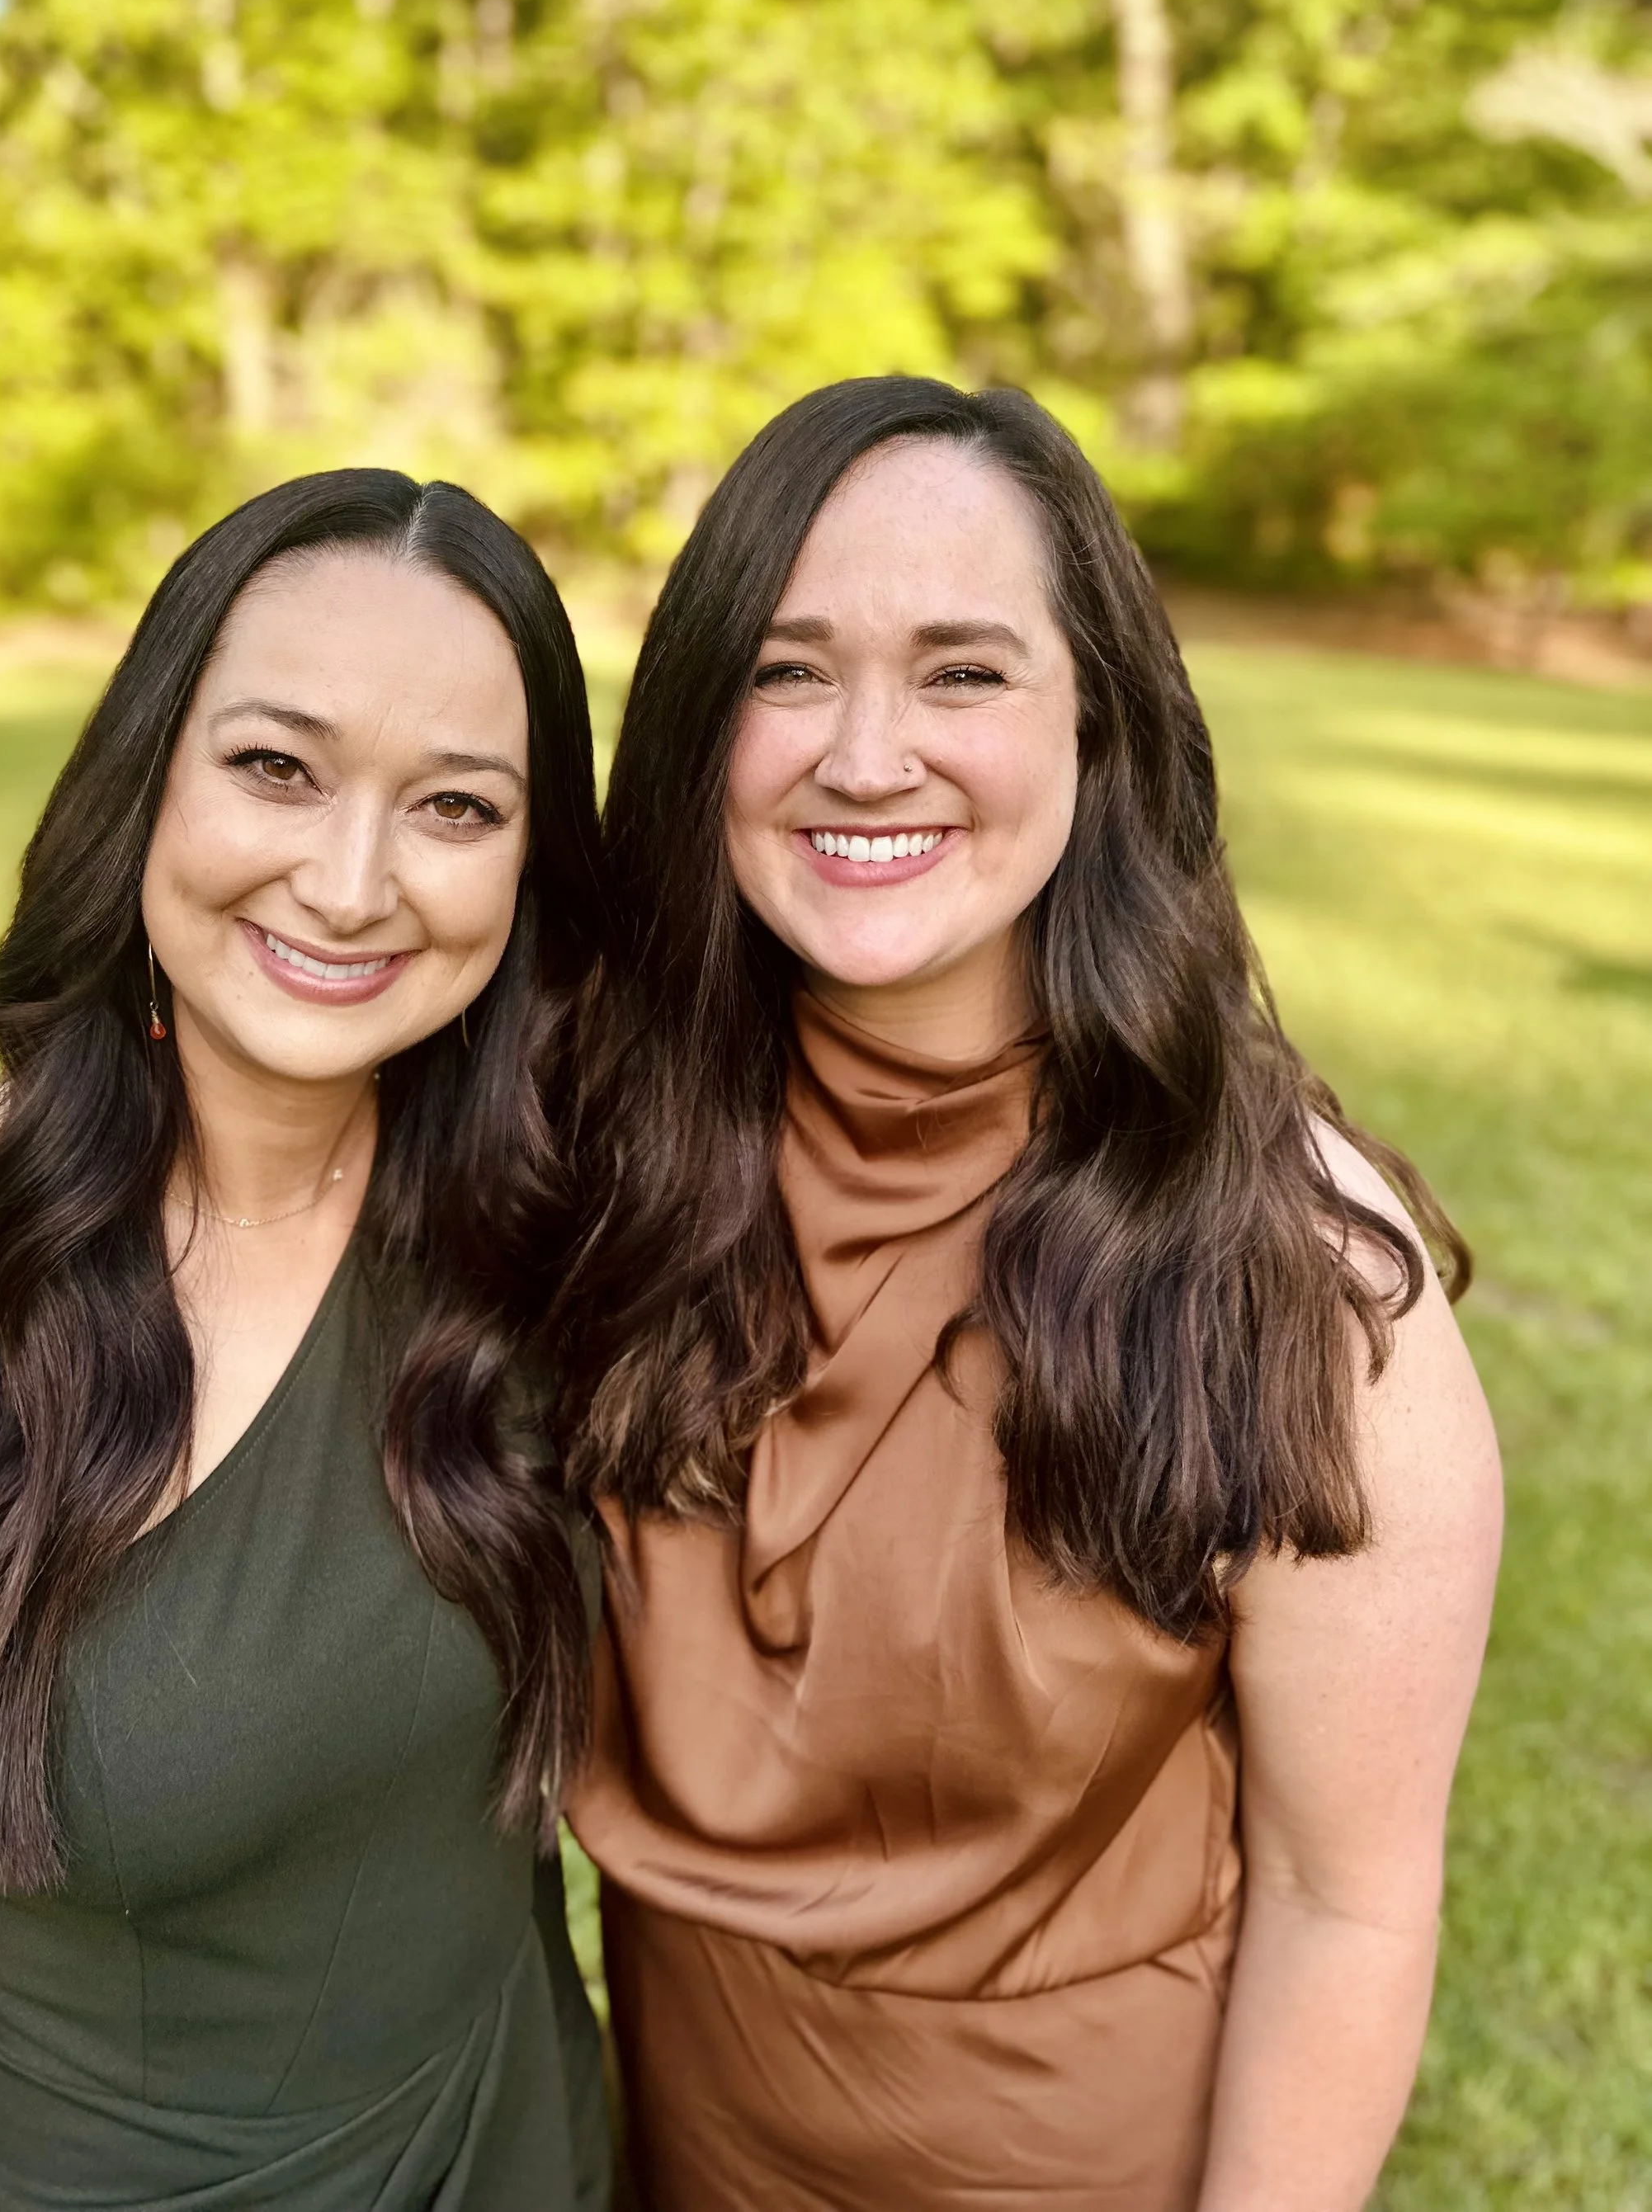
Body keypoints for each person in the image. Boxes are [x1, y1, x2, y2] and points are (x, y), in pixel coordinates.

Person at [562, 378, 1502, 2212]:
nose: (862, 751)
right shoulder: (606, 1147)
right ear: (697, 725)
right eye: (785, 668)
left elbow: (1346, 1899)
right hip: (674, 2157)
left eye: (961, 672)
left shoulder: (1287, 1267)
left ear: (1099, 723)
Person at [0, 471, 611, 2212]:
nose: (350, 878)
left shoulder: (540, 1220)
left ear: (531, 863)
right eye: (275, 767)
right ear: (143, 770)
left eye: (455, 805)